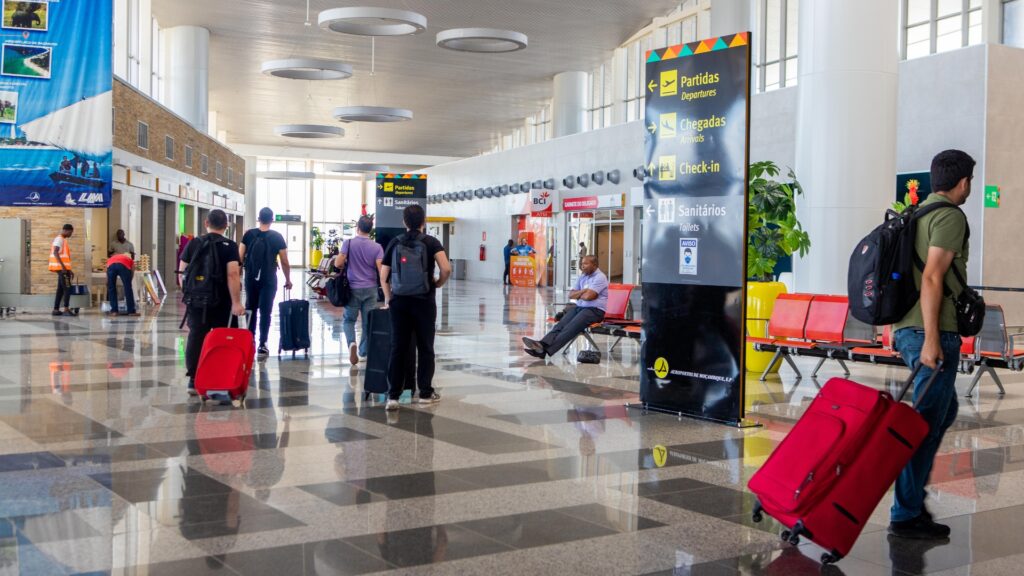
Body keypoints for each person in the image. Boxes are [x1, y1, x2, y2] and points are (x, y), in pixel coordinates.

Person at [889, 149, 975, 540]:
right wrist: (932, 339)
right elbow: (933, 279)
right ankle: (906, 512)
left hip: (908, 328)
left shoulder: (917, 213)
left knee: (943, 409)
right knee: (923, 424)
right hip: (931, 331)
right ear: (963, 182)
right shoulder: (950, 216)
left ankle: (911, 501)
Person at [380, 205, 451, 411]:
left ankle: (393, 396)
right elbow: (446, 268)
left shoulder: (395, 242)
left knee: (398, 348)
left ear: (404, 222)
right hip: (424, 301)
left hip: (399, 302)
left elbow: (384, 276)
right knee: (426, 348)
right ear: (423, 221)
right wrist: (437, 283)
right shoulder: (431, 242)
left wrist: (388, 298)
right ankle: (426, 394)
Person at [179, 209, 245, 395]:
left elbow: (181, 272)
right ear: (226, 226)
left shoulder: (194, 244)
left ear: (206, 223)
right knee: (222, 338)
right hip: (221, 302)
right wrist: (236, 302)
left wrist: (189, 294)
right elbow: (233, 274)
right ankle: (219, 379)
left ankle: (193, 380)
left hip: (196, 301)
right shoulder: (230, 246)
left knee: (196, 336)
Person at [522, 255, 608, 358]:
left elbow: (589, 297)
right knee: (560, 325)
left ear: (594, 265)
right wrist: (584, 291)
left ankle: (543, 350)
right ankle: (542, 344)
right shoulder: (583, 276)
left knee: (570, 328)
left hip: (594, 311)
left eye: (585, 264)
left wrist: (581, 294)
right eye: (581, 264)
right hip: (579, 308)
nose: (582, 266)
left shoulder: (600, 277)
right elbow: (571, 295)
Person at [239, 207, 292, 358]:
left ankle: (249, 341)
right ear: (272, 219)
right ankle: (263, 343)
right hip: (269, 278)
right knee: (266, 311)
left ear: (259, 218)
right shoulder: (277, 237)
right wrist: (288, 280)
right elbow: (284, 261)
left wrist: (238, 278)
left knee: (251, 308)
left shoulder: (249, 235)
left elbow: (240, 257)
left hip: (250, 277)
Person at [335, 215, 383, 366]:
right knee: (368, 323)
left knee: (349, 320)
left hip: (353, 288)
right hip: (371, 289)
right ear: (371, 229)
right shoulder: (377, 247)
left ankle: (351, 344)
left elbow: (338, 263)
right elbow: (381, 270)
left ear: (358, 228)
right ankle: (363, 353)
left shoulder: (348, 244)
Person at [49, 223, 75, 317]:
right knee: (68, 288)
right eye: (71, 232)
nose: (71, 234)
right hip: (62, 269)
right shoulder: (59, 239)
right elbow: (55, 252)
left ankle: (56, 309)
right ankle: (66, 309)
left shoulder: (62, 239)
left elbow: (64, 256)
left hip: (62, 269)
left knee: (60, 289)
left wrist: (69, 269)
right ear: (66, 230)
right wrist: (64, 267)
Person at [105, 251, 138, 316]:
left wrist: (107, 281)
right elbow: (132, 270)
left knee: (111, 289)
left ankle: (114, 311)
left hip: (111, 266)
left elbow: (107, 269)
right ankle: (131, 311)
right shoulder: (129, 259)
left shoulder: (112, 258)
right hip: (123, 267)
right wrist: (129, 281)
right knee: (128, 289)